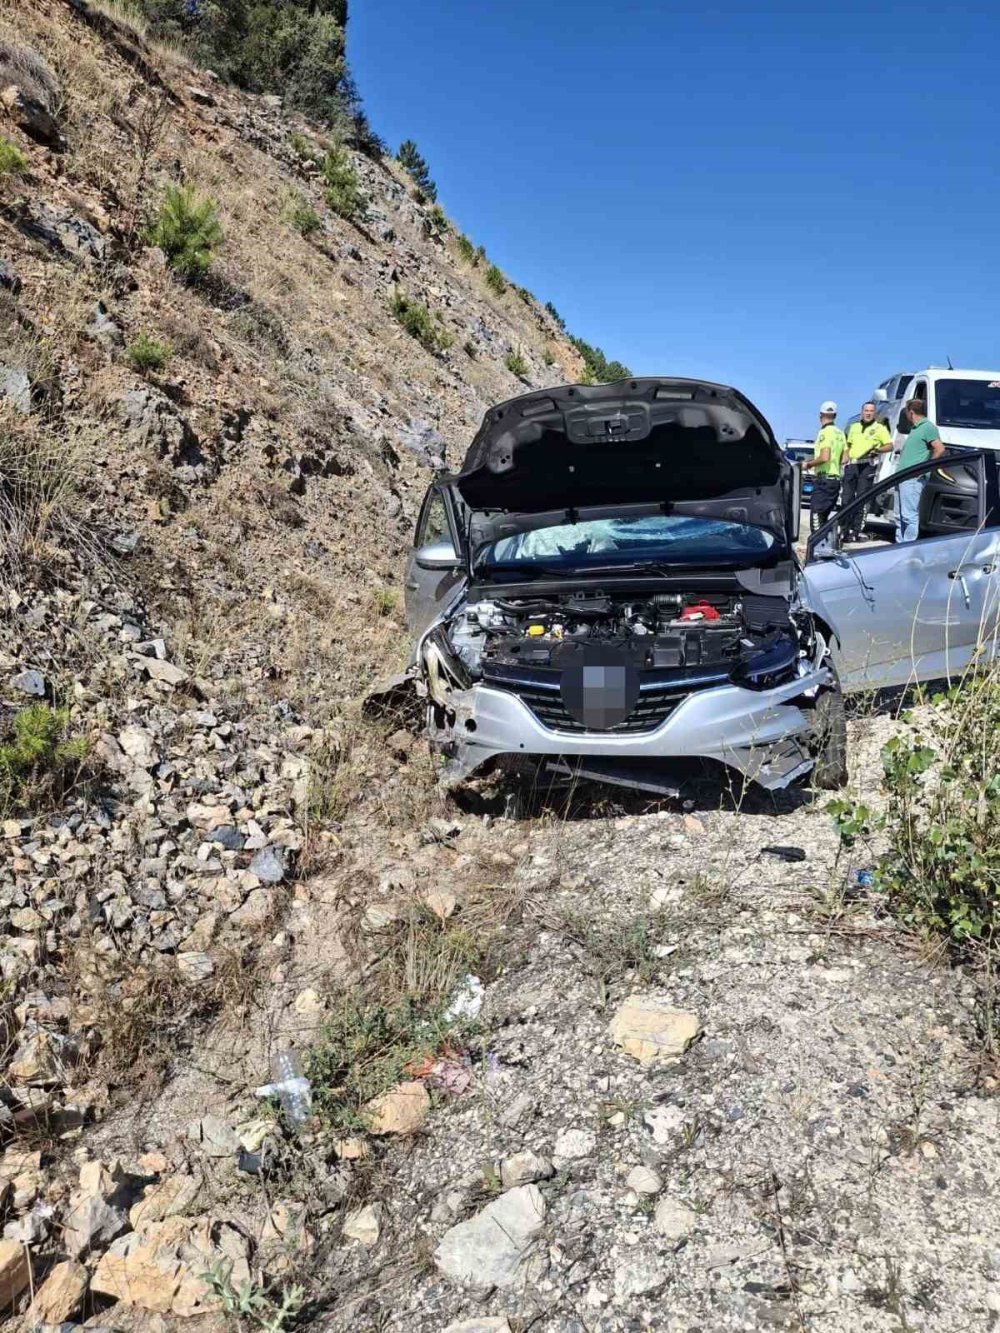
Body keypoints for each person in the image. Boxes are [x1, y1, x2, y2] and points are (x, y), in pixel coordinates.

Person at [895, 397, 945, 543]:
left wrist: (925, 468)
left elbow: (940, 448)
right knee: (899, 516)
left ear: (911, 412)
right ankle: (899, 544)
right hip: (902, 477)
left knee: (909, 515)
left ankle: (908, 545)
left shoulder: (927, 427)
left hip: (912, 478)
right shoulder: (915, 429)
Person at [841, 401, 892, 540]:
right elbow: (848, 446)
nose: (868, 413)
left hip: (868, 465)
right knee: (846, 498)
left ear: (874, 413)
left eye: (871, 411)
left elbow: (889, 446)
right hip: (852, 465)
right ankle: (843, 529)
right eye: (866, 410)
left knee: (862, 499)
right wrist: (845, 457)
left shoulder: (880, 428)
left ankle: (856, 531)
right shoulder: (854, 427)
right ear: (862, 411)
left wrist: (877, 450)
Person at [802, 401, 846, 531]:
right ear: (835, 415)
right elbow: (845, 459)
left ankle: (816, 548)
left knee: (816, 517)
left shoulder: (825, 432)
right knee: (824, 517)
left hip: (823, 480)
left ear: (820, 415)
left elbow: (824, 457)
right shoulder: (840, 433)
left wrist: (808, 464)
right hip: (835, 481)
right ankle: (823, 546)